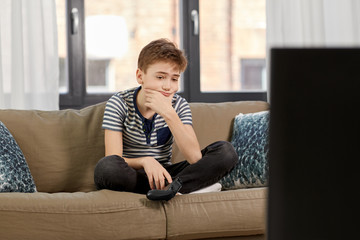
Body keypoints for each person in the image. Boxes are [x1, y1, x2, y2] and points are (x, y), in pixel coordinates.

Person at [94, 38, 238, 200]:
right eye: (160, 77)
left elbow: (194, 158)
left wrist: (168, 113)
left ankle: (171, 189)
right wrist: (145, 161)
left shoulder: (178, 105)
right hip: (133, 175)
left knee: (226, 152)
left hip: (167, 176)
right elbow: (114, 157)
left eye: (174, 79)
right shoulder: (119, 103)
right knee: (107, 167)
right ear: (140, 76)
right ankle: (182, 190)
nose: (168, 86)